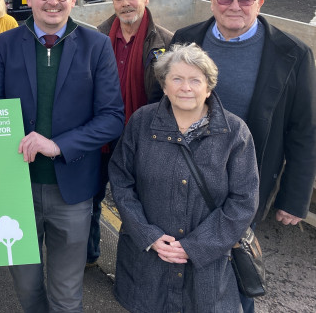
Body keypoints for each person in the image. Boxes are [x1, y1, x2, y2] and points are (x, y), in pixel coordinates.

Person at [0, 0, 124, 313]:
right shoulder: (5, 45)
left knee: (66, 296)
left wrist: (58, 145)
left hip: (72, 193)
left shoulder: (96, 46)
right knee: (29, 292)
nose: (53, 1)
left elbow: (111, 118)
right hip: (17, 190)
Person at [171, 0, 316, 312]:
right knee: (179, 262)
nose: (234, 6)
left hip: (246, 182)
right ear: (211, 1)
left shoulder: (292, 54)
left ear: (260, 2)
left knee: (234, 267)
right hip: (182, 177)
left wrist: (294, 198)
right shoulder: (184, 40)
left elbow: (304, 131)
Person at [109, 43, 259, 313]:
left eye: (195, 80)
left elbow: (244, 201)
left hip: (207, 268)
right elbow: (121, 181)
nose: (185, 87)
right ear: (164, 86)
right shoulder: (142, 123)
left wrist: (196, 246)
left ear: (209, 87)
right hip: (148, 262)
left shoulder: (235, 133)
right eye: (176, 78)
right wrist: (148, 235)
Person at [88, 0, 172, 266]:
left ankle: (133, 269)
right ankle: (88, 256)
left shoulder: (166, 43)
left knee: (137, 208)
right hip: (100, 138)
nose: (125, 4)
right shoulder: (95, 38)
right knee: (91, 199)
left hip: (141, 142)